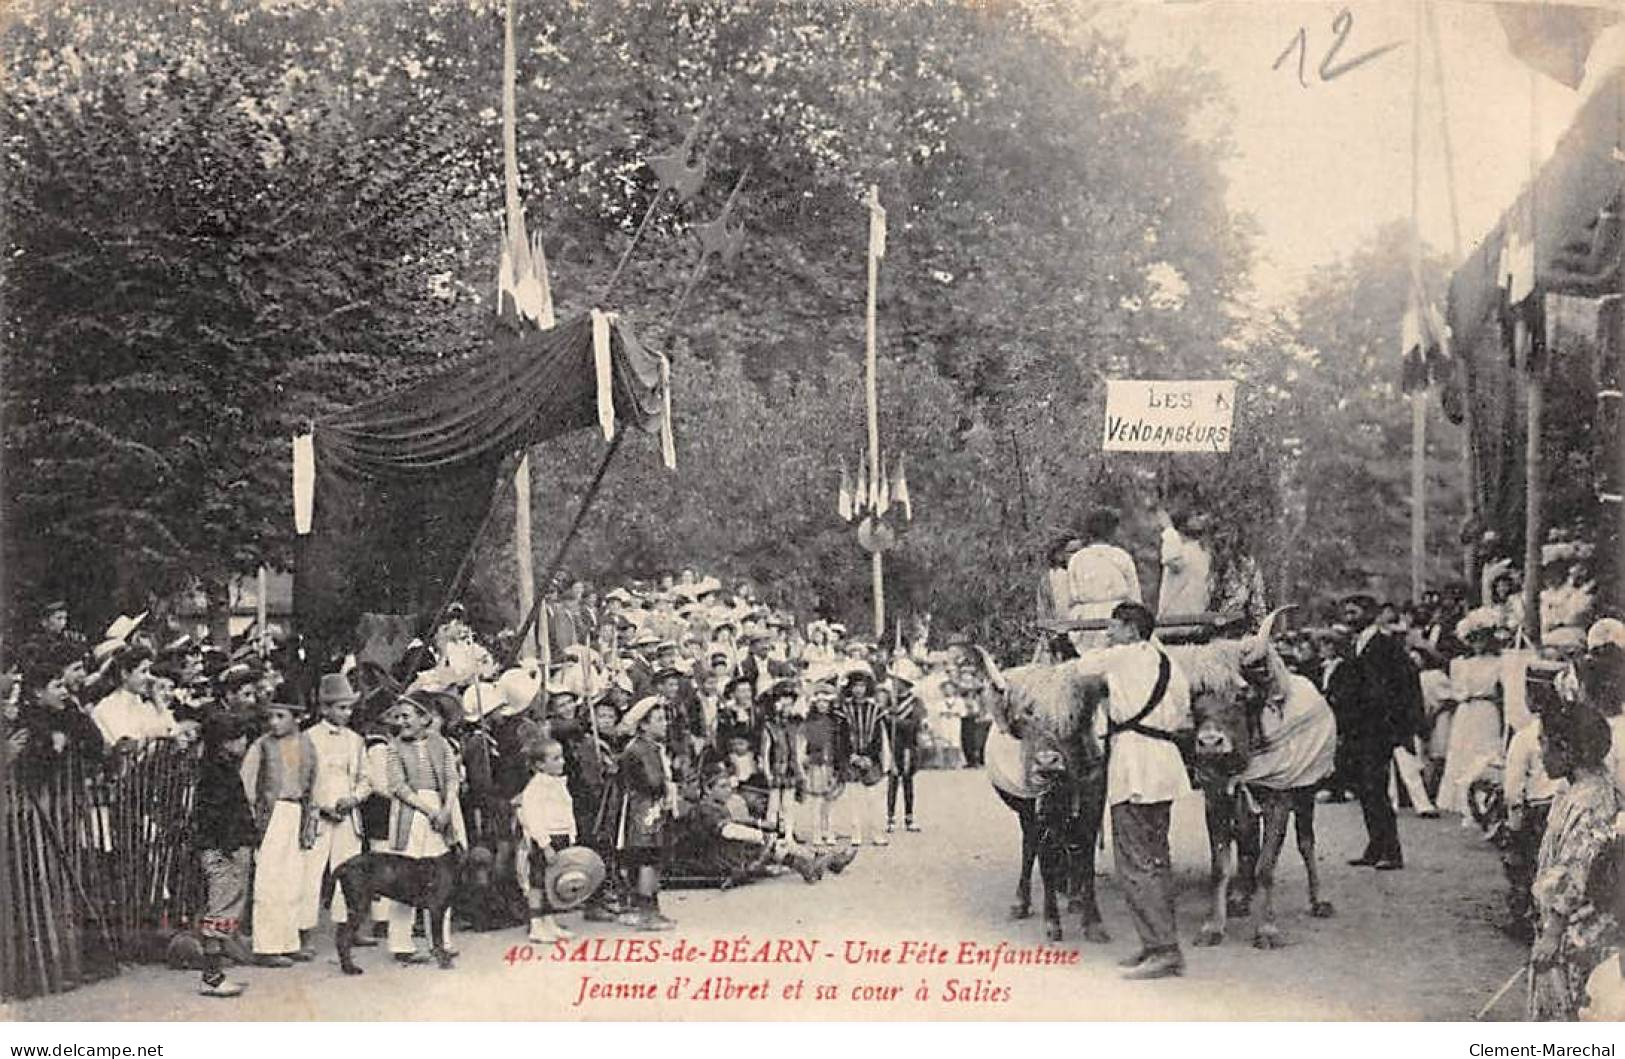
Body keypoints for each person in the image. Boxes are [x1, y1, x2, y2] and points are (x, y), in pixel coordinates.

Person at [1070, 601, 1191, 980]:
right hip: (1165, 764)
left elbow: (1081, 668)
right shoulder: (1170, 664)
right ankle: (1156, 943)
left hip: (1135, 766)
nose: (1108, 633)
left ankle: (1164, 950)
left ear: (1132, 630)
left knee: (1135, 862)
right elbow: (1181, 709)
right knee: (1157, 858)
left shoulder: (1122, 656)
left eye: (1113, 627)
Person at [1529, 705, 1621, 1020]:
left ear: (1566, 750)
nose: (1540, 753)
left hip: (1577, 931)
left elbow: (1575, 871)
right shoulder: (1580, 792)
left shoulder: (1590, 803)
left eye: (1544, 743)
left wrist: (1553, 931)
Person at [1336, 594, 1424, 870]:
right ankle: (1375, 845)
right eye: (1347, 613)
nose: (1349, 618)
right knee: (1364, 788)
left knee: (1377, 788)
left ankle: (1391, 851)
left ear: (1371, 614)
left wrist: (1401, 726)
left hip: (1378, 728)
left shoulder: (1386, 645)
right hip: (1358, 728)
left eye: (1354, 613)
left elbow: (1406, 685)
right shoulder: (1355, 644)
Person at [381, 693, 461, 963]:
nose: (402, 721)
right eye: (399, 716)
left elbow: (451, 778)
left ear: (425, 718)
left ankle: (441, 941)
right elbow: (398, 786)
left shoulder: (441, 744)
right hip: (411, 815)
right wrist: (429, 811)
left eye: (408, 716)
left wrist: (446, 810)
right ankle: (401, 943)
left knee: (441, 879)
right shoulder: (394, 747)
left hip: (439, 813)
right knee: (404, 878)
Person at [297, 672, 372, 958]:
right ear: (324, 708)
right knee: (311, 874)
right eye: (341, 707)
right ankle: (304, 933)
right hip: (318, 816)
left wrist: (354, 799)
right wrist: (320, 806)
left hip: (347, 815)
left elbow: (367, 778)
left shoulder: (355, 740)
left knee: (351, 875)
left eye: (349, 707)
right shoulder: (307, 738)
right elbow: (300, 780)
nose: (347, 713)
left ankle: (348, 929)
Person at [239, 700, 317, 966]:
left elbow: (313, 783)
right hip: (270, 815)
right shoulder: (262, 745)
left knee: (293, 879)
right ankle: (267, 947)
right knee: (269, 881)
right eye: (270, 717)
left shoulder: (307, 745)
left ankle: (289, 942)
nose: (273, 722)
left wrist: (310, 818)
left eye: (280, 716)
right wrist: (253, 819)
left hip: (296, 813)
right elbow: (247, 784)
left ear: (298, 717)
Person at [193, 715, 257, 997]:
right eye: (239, 737)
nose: (244, 742)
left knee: (225, 908)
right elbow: (216, 817)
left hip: (227, 847)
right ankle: (211, 976)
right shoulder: (217, 774)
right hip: (224, 850)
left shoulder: (219, 769)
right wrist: (233, 847)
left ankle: (215, 974)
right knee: (220, 909)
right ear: (225, 742)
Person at [1503, 705, 1568, 941]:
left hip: (1537, 810)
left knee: (1528, 866)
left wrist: (1514, 823)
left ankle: (1526, 918)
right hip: (1561, 805)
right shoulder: (1567, 731)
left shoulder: (1524, 737)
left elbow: (1513, 787)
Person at [614, 696, 677, 930]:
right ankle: (648, 912)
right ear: (644, 724)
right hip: (645, 809)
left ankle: (649, 909)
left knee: (648, 859)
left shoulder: (646, 747)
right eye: (659, 720)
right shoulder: (643, 750)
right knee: (647, 859)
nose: (665, 724)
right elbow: (653, 781)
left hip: (645, 808)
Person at [1438, 609, 1505, 820]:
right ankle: (1460, 800)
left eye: (1483, 638)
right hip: (1466, 711)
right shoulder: (1459, 663)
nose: (1478, 643)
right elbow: (1455, 690)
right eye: (1474, 639)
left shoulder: (1498, 662)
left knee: (1484, 752)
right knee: (1462, 751)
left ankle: (1483, 799)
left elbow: (1501, 692)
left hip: (1486, 711)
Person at [516, 740, 578, 942]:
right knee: (538, 881)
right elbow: (532, 818)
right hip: (545, 839)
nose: (562, 761)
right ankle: (535, 924)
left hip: (561, 836)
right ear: (540, 765)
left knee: (552, 881)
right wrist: (545, 844)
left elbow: (566, 811)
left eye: (561, 756)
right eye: (555, 758)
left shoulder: (558, 783)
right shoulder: (535, 788)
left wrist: (571, 834)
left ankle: (549, 922)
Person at [1066, 508, 1142, 651]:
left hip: (1086, 621)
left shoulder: (1077, 559)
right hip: (1117, 619)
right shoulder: (1121, 556)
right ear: (1112, 531)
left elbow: (1072, 596)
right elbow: (1134, 596)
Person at [1156, 509, 1211, 619]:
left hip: (1198, 618)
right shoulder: (1178, 550)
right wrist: (1169, 530)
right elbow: (1171, 559)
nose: (1200, 519)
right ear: (1182, 525)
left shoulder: (1202, 551)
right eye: (1194, 517)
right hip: (1175, 620)